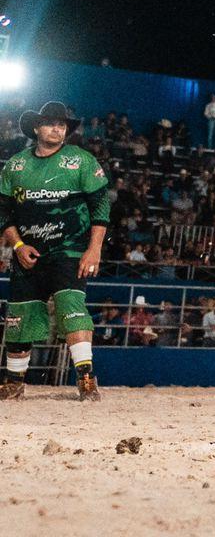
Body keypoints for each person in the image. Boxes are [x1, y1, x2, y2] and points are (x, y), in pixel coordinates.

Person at [0, 101, 111, 400]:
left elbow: (101, 205)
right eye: (50, 123)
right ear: (36, 127)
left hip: (71, 251)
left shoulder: (81, 161)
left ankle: (86, 379)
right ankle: (13, 383)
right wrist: (18, 246)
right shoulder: (16, 166)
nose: (57, 128)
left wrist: (94, 250)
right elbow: (3, 214)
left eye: (62, 124)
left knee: (72, 310)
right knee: (20, 316)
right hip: (27, 255)